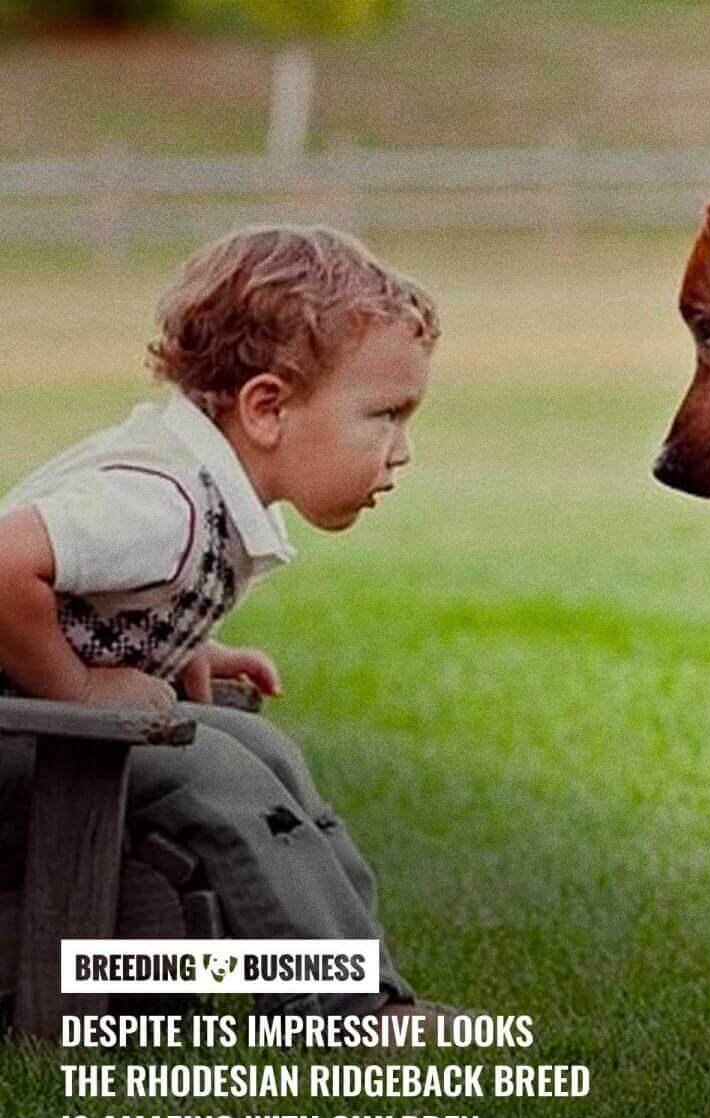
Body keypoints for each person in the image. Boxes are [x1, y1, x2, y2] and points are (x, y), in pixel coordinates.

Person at [0, 225, 438, 1027]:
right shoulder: (160, 501)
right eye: (385, 416)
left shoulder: (188, 486)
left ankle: (368, 986)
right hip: (19, 744)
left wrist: (178, 646)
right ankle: (342, 1015)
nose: (402, 451)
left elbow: (89, 594)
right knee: (214, 771)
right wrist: (79, 688)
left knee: (263, 748)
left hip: (28, 738)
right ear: (266, 407)